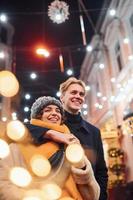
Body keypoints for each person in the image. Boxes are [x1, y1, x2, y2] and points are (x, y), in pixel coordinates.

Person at [0, 96, 100, 200]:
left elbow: (93, 195)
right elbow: (4, 185)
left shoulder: (72, 145)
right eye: (47, 110)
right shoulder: (17, 147)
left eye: (58, 111)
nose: (54, 113)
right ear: (38, 116)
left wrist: (80, 163)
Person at [28, 77, 108, 200]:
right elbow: (27, 127)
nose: (78, 96)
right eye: (73, 92)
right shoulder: (53, 123)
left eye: (81, 94)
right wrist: (52, 133)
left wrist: (101, 197)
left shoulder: (94, 132)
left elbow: (101, 171)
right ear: (62, 97)